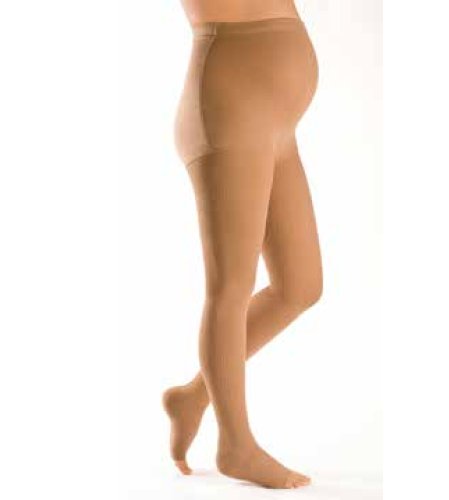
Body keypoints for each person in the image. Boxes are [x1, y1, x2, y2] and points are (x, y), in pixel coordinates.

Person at [162, 0, 323, 489]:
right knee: (230, 286)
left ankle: (193, 396)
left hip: (278, 123)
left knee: (300, 286)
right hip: (229, 107)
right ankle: (236, 444)